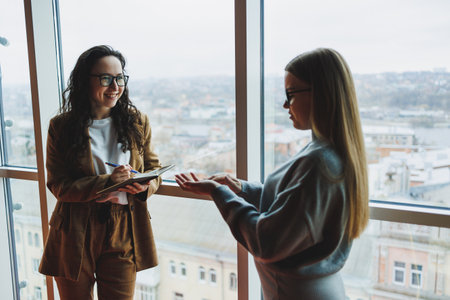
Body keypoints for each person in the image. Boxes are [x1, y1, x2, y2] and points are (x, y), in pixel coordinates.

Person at [175, 48, 369, 299]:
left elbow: (266, 241)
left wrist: (218, 192)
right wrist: (241, 188)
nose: (285, 104)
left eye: (291, 94)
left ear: (321, 94)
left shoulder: (319, 162)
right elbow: (294, 208)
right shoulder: (328, 152)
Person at [39, 45, 162, 300]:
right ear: (85, 81)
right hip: (74, 228)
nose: (115, 86)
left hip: (124, 226)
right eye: (106, 78)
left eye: (119, 78)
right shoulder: (61, 127)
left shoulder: (137, 121)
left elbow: (154, 169)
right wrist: (108, 181)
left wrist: (144, 187)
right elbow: (58, 185)